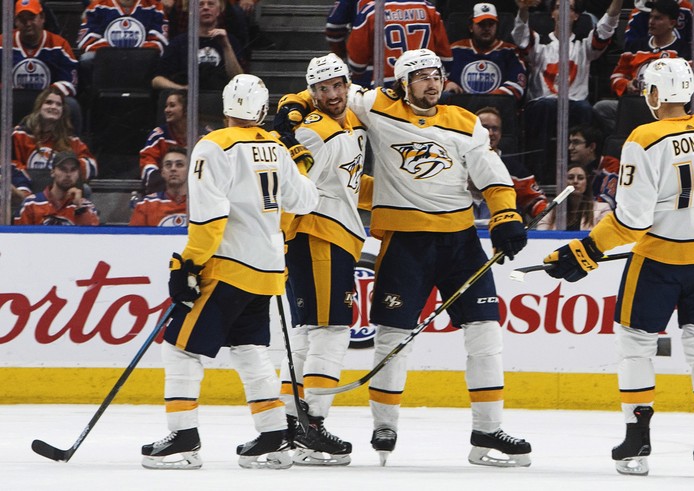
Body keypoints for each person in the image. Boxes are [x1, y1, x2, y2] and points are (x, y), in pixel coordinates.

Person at [274, 48, 531, 467]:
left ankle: (487, 430)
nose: (431, 83)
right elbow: (323, 91)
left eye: (436, 75)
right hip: (405, 244)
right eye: (421, 77)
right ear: (402, 83)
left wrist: (505, 215)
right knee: (393, 336)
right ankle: (384, 424)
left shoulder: (465, 122)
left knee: (486, 333)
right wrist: (290, 107)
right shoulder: (375, 105)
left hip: (461, 242)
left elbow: (490, 172)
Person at [543, 58, 694, 478]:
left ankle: (637, 437)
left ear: (657, 93)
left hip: (661, 260)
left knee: (636, 343)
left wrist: (586, 250)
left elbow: (631, 221)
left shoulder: (643, 138)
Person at [141, 74, 319, 470]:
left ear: (225, 108)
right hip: (268, 270)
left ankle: (183, 439)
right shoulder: (277, 147)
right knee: (250, 349)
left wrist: (188, 263)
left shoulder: (212, 146)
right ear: (262, 110)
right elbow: (305, 200)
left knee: (182, 347)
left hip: (228, 266)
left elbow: (210, 218)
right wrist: (301, 162)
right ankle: (274, 437)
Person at [277, 53, 372, 467]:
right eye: (321, 89)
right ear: (313, 93)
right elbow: (293, 186)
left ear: (347, 85)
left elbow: (347, 183)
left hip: (324, 238)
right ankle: (311, 427)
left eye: (337, 85)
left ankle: (288, 425)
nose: (331, 95)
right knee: (330, 330)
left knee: (306, 334)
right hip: (319, 237)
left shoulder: (346, 121)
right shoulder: (319, 133)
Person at [513, 0, 622, 183]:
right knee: (545, 106)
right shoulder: (541, 43)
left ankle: (583, 175)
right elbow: (521, 37)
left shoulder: (583, 45)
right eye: (558, 8)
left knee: (586, 110)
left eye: (569, 8)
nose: (563, 12)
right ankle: (539, 177)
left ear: (576, 16)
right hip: (542, 102)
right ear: (552, 14)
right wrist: (523, 10)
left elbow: (606, 27)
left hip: (576, 103)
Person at [593, 0, 691, 135]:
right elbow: (616, 76)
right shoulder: (635, 46)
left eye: (658, 18)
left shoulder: (683, 50)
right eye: (651, 17)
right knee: (602, 108)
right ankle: (625, 141)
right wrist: (627, 85)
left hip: (666, 108)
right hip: (635, 103)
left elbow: (687, 85)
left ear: (672, 23)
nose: (651, 21)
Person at [12, 85, 98, 194]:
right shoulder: (20, 136)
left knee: (85, 190)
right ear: (39, 107)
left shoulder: (71, 140)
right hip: (26, 192)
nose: (54, 107)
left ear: (63, 111)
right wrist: (24, 188)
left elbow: (92, 164)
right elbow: (10, 165)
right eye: (48, 102)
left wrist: (67, 173)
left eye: (59, 104)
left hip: (60, 194)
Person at [346, 0, 452, 87]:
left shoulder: (370, 11)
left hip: (387, 86)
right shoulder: (430, 9)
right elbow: (446, 59)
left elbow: (357, 65)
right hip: (424, 85)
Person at [476, 106, 549, 226]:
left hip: (501, 231)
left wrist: (547, 226)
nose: (490, 133)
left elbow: (536, 202)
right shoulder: (456, 163)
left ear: (500, 134)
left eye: (495, 129)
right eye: (484, 127)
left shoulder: (515, 170)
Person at [152, 0, 244, 91]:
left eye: (211, 4)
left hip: (219, 99)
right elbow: (157, 81)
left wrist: (226, 46)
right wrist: (183, 89)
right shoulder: (178, 42)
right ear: (191, 12)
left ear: (219, 10)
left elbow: (239, 80)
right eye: (200, 5)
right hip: (185, 100)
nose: (206, 8)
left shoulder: (230, 40)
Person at [444, 3, 527, 103]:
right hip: (461, 109)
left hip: (498, 108)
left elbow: (518, 84)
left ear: (497, 26)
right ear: (471, 27)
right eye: (481, 24)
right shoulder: (455, 50)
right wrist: (446, 83)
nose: (487, 28)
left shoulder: (510, 52)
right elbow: (436, 74)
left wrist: (490, 99)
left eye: (491, 24)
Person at [1, 0, 79, 97]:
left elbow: (70, 82)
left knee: (71, 104)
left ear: (42, 18)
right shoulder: (2, 43)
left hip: (48, 101)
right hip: (11, 101)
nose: (28, 23)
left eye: (32, 17)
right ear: (16, 21)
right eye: (22, 19)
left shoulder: (59, 45)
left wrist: (47, 95)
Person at [14, 151, 100, 226]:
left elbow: (91, 240)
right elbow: (19, 240)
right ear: (52, 172)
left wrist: (79, 208)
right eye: (63, 169)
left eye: (73, 170)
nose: (68, 174)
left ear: (78, 174)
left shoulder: (87, 207)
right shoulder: (30, 205)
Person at [140, 90, 192, 190]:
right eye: (166, 106)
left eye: (172, 105)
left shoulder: (204, 136)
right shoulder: (159, 136)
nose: (166, 110)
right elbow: (147, 165)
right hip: (165, 192)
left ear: (186, 109)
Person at [77, 0, 168, 56]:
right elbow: (86, 41)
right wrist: (117, 49)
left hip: (142, 57)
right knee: (87, 58)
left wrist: (131, 50)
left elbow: (160, 42)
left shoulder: (155, 7)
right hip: (106, 57)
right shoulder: (97, 6)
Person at [129, 146, 188, 227]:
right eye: (168, 165)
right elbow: (133, 238)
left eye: (179, 165)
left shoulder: (201, 204)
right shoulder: (146, 205)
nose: (173, 168)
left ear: (190, 170)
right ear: (162, 172)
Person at [623, 0, 693, 46]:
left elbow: (693, 42)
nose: (651, 21)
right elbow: (631, 46)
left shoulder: (687, 9)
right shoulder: (637, 14)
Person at [564, 163, 610, 230]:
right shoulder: (551, 210)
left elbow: (605, 234)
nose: (575, 181)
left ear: (587, 183)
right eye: (570, 178)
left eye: (580, 178)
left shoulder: (602, 209)